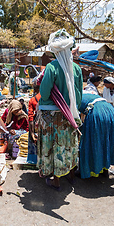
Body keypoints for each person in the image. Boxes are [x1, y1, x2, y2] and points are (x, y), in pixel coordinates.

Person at [37, 29, 83, 190]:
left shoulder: (51, 67)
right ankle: (71, 176)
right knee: (68, 145)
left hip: (51, 117)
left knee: (53, 146)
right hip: (70, 115)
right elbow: (79, 95)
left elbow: (44, 92)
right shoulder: (76, 69)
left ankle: (55, 180)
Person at [78, 93, 114, 179]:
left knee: (92, 141)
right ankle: (105, 169)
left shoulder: (75, 100)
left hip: (97, 113)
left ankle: (92, 170)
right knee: (106, 141)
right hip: (111, 111)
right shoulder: (88, 96)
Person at [27, 83, 41, 164]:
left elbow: (30, 117)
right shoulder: (48, 98)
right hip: (46, 123)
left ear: (35, 90)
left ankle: (34, 161)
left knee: (34, 141)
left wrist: (32, 133)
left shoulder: (32, 100)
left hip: (36, 125)